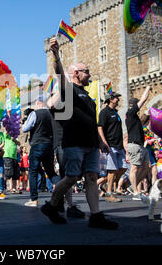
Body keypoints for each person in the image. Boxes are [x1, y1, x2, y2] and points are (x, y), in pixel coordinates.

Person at [40, 37, 117, 229]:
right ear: (76, 73)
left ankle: (96, 216)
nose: (89, 75)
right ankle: (51, 205)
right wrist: (56, 55)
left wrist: (100, 141)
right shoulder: (69, 90)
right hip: (74, 142)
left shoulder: (88, 96)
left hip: (90, 144)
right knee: (72, 177)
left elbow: (92, 122)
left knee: (91, 178)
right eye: (86, 72)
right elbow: (59, 75)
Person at [22, 95, 61, 207]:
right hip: (49, 145)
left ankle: (34, 199)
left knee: (33, 172)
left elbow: (25, 128)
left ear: (39, 103)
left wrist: (25, 121)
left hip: (37, 145)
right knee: (51, 172)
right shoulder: (52, 114)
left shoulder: (35, 113)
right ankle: (61, 192)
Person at [98, 91, 127, 203]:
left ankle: (106, 185)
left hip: (119, 146)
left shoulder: (115, 112)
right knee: (112, 170)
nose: (118, 99)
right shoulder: (104, 112)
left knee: (124, 167)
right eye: (116, 97)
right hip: (110, 145)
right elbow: (100, 128)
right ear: (110, 99)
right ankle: (109, 193)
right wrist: (104, 143)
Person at [125, 86, 151, 201]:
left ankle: (132, 186)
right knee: (134, 168)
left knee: (146, 167)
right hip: (134, 145)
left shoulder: (134, 116)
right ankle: (136, 192)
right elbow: (143, 99)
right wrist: (148, 88)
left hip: (140, 145)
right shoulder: (130, 113)